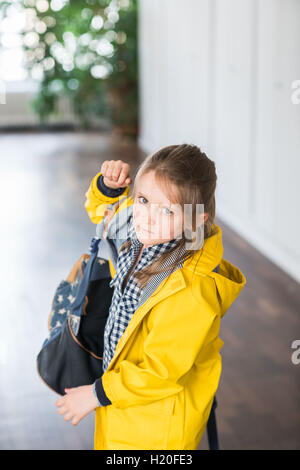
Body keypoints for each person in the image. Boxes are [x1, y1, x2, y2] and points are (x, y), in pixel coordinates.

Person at [55, 143, 247, 450]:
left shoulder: (190, 289)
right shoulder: (138, 229)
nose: (147, 217)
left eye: (167, 210)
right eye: (143, 200)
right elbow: (104, 212)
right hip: (122, 397)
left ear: (197, 219)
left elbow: (160, 371)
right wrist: (107, 187)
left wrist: (95, 394)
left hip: (157, 424)